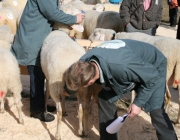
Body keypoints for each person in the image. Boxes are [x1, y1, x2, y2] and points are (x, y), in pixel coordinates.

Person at [64, 40, 178, 140]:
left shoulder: (122, 67)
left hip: (153, 67)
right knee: (104, 99)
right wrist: (67, 90)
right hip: (132, 68)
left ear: (90, 82)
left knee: (156, 110)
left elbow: (152, 77)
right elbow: (75, 78)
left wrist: (138, 103)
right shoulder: (84, 62)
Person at [11, 0, 84, 122]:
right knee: (36, 72)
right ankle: (37, 110)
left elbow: (51, 12)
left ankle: (40, 105)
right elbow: (53, 13)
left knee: (40, 72)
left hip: (37, 33)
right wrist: (74, 19)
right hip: (33, 36)